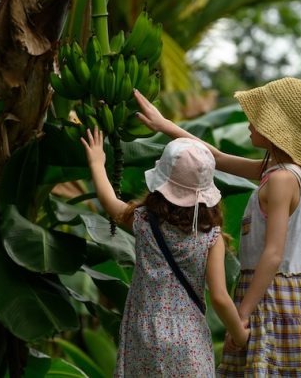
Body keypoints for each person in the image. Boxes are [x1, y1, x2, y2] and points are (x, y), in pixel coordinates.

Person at [133, 77, 301, 377]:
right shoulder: (276, 170)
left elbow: (273, 254)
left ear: (275, 127)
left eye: (257, 115)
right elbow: (218, 158)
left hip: (270, 293)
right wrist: (166, 125)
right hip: (265, 289)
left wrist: (243, 313)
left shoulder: (281, 179)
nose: (249, 121)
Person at [81, 128, 249, 377]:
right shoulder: (211, 238)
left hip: (143, 333)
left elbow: (108, 201)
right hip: (188, 339)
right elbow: (220, 298)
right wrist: (240, 335)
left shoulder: (144, 221)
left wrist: (97, 161)